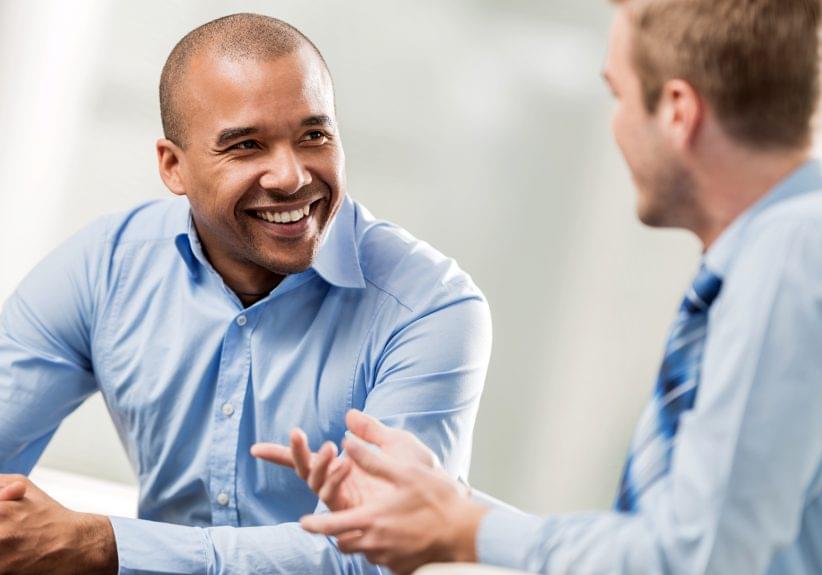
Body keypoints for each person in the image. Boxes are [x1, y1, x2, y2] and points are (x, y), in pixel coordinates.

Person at [256, 0, 822, 573]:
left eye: (618, 95)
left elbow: (699, 560)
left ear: (678, 111)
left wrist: (465, 528)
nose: (616, 125)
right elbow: (684, 543)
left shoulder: (787, 260)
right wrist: (446, 509)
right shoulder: (780, 253)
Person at [0, 13, 492, 574]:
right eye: (247, 145)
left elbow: (379, 553)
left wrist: (108, 547)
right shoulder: (103, 268)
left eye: (314, 135)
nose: (289, 175)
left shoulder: (428, 307)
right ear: (172, 166)